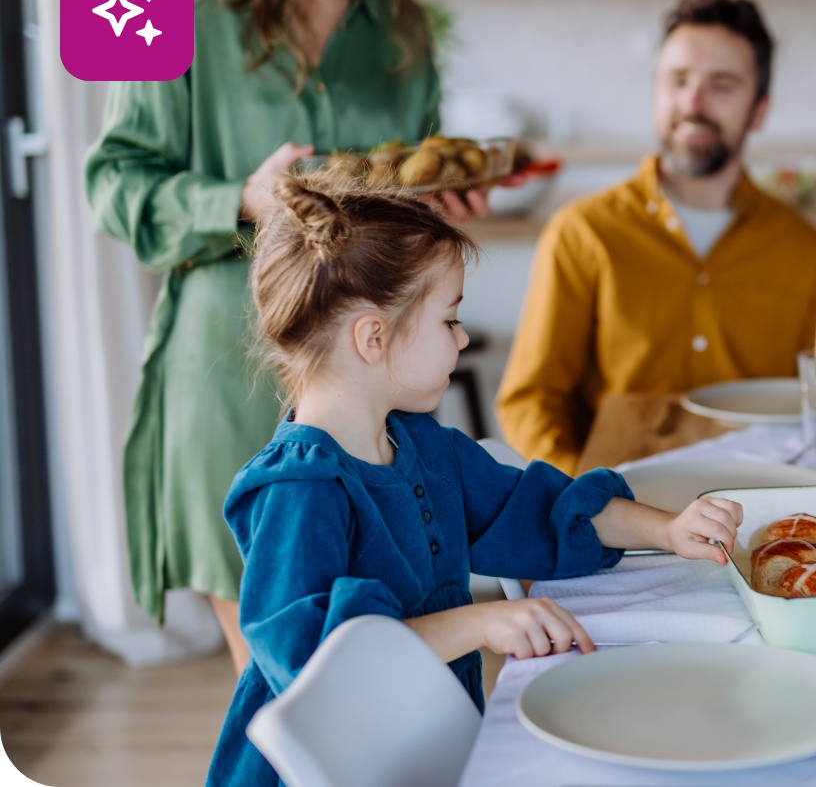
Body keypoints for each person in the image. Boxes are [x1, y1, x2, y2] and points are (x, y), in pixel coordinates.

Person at [206, 175, 743, 785]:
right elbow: (316, 665)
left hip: (427, 751)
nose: (462, 338)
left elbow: (536, 508)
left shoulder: (423, 447)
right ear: (373, 338)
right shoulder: (296, 491)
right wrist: (479, 623)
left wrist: (668, 530)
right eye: (449, 320)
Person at [84, 0, 497, 673]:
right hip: (222, 381)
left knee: (380, 663)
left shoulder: (401, 26)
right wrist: (239, 198)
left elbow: (396, 200)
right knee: (285, 678)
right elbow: (110, 181)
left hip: (367, 390)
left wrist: (433, 204)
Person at [496, 0, 816, 473]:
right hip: (616, 506)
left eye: (721, 84)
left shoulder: (806, 249)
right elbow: (531, 399)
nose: (692, 102)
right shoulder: (583, 232)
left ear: (759, 109)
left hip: (758, 507)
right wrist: (581, 496)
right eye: (677, 80)